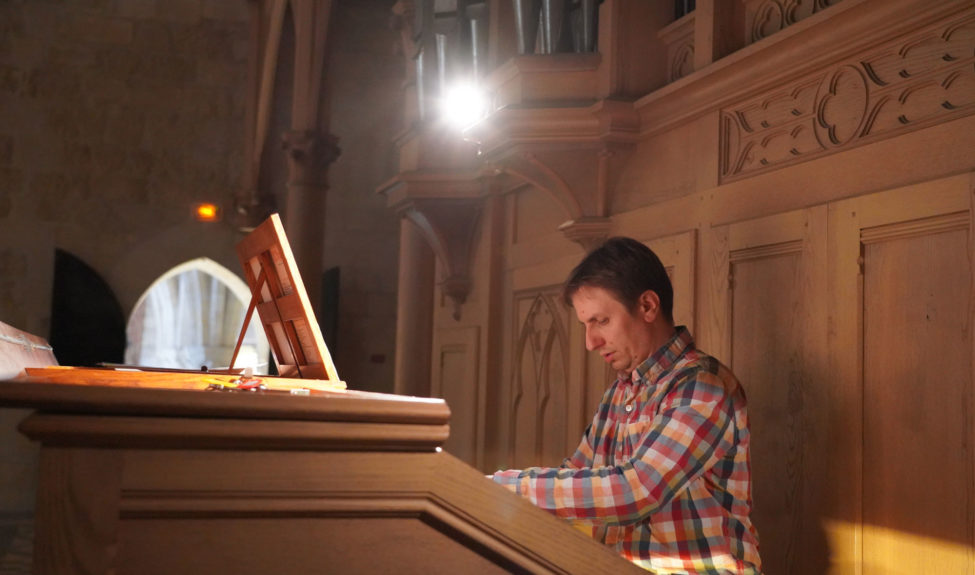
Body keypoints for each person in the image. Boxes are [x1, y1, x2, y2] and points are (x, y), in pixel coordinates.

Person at [490, 237, 761, 574]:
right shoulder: (619, 393)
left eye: (601, 321)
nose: (590, 342)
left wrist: (505, 487)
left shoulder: (703, 386)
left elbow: (636, 491)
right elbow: (576, 476)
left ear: (647, 306)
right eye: (586, 325)